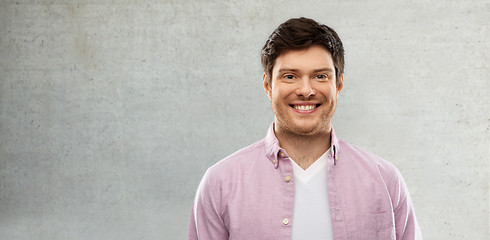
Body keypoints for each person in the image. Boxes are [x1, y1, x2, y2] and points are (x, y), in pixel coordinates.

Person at [188, 17, 422, 240]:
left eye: (320, 76)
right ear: (268, 85)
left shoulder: (385, 179)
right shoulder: (220, 183)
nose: (306, 90)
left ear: (338, 84)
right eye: (290, 76)